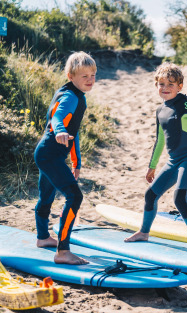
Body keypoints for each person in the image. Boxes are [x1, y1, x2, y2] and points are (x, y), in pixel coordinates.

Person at [124, 62, 187, 253]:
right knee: (150, 195)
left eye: (170, 84)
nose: (165, 89)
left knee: (180, 198)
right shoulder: (160, 111)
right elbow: (160, 140)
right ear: (156, 85)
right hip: (173, 161)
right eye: (161, 84)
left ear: (179, 86)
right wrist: (152, 166)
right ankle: (144, 232)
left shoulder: (184, 102)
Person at [34, 51, 97, 265]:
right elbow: (59, 117)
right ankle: (63, 251)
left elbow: (74, 132)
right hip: (50, 154)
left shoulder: (70, 93)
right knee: (75, 197)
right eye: (84, 76)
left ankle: (43, 238)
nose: (90, 80)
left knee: (46, 197)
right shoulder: (71, 96)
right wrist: (59, 129)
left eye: (93, 75)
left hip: (47, 154)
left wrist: (76, 161)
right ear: (70, 76)